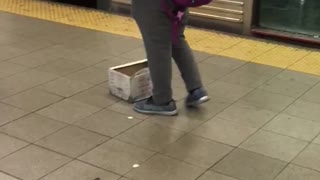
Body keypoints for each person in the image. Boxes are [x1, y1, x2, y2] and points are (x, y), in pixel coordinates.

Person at [132, 0, 209, 116]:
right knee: (176, 39)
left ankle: (162, 101)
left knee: (157, 47)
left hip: (154, 5)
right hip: (177, 5)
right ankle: (196, 89)